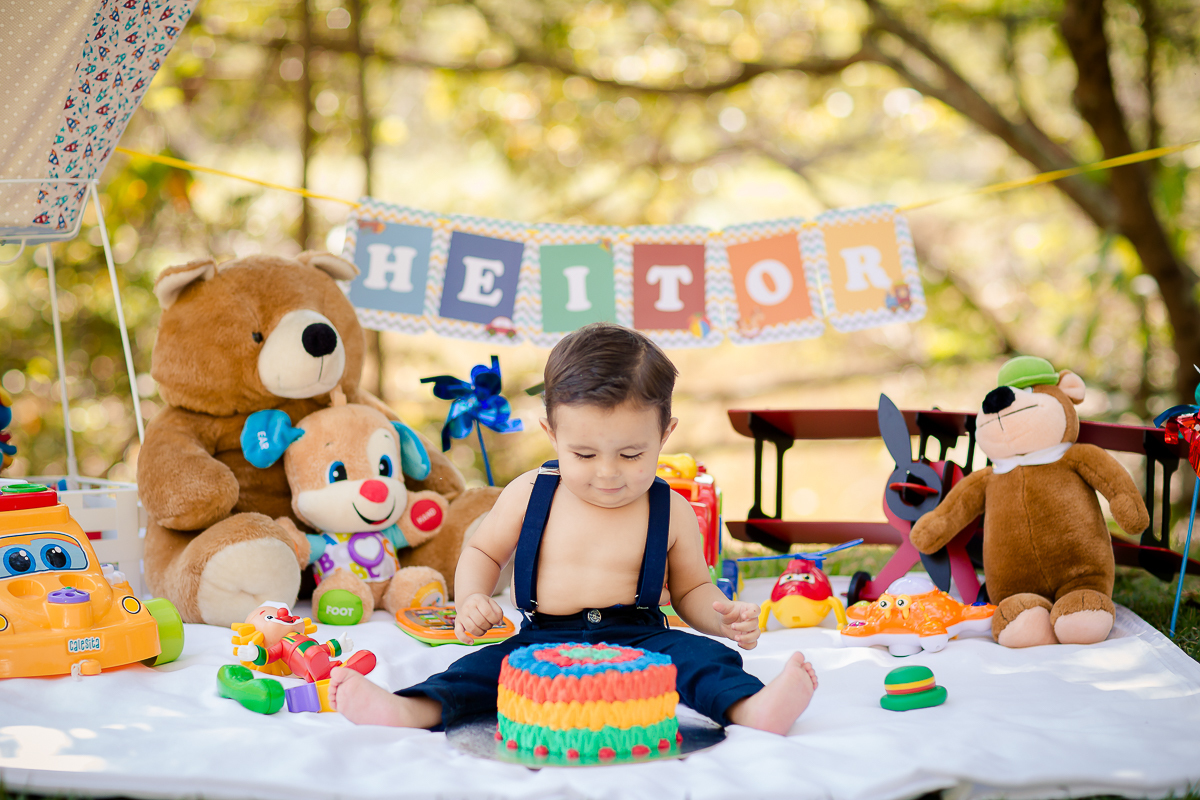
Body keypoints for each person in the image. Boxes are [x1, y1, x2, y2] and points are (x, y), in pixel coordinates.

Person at [328, 322, 818, 734]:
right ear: (552, 433)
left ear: (664, 434)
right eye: (583, 454)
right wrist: (473, 595)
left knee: (704, 659)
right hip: (541, 640)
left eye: (631, 454)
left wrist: (721, 618)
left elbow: (691, 588)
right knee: (475, 672)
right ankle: (412, 710)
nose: (607, 473)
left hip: (642, 640)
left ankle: (751, 708)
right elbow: (483, 551)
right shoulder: (529, 492)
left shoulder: (671, 510)